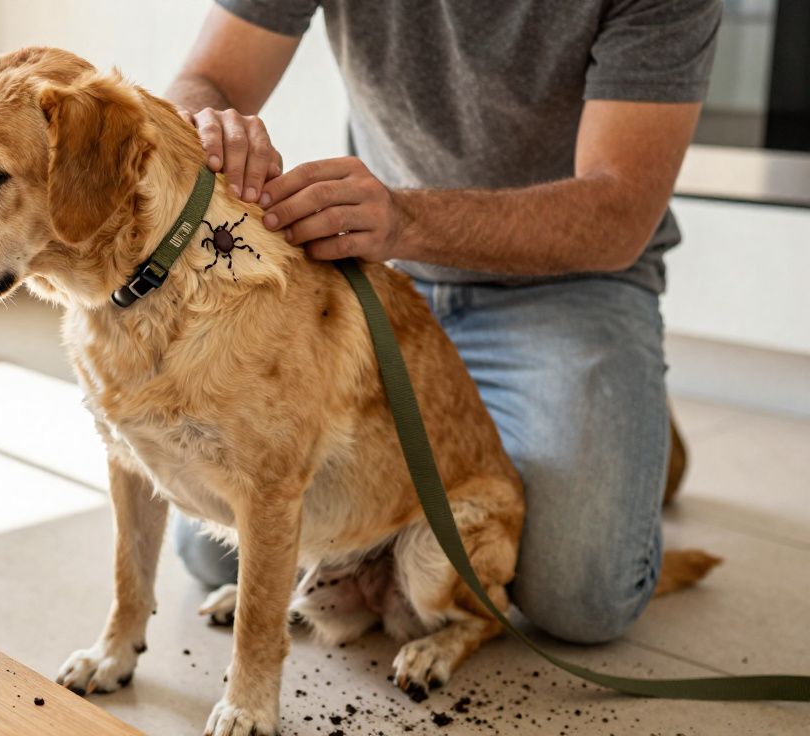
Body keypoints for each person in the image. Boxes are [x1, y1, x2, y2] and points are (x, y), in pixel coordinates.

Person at [164, 0, 720, 645]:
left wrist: (407, 219)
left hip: (571, 282)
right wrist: (206, 123)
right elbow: (209, 77)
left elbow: (619, 210)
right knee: (212, 549)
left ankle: (621, 417)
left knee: (583, 598)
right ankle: (576, 420)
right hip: (390, 277)